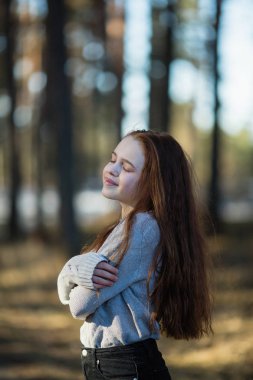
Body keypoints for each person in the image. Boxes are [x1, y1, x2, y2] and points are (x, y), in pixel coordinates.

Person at [57, 130, 213, 380]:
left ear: (154, 183)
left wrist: (71, 270)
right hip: (115, 366)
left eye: (126, 168)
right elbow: (67, 294)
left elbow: (77, 304)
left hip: (125, 369)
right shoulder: (128, 228)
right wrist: (74, 269)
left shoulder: (140, 230)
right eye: (113, 159)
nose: (111, 169)